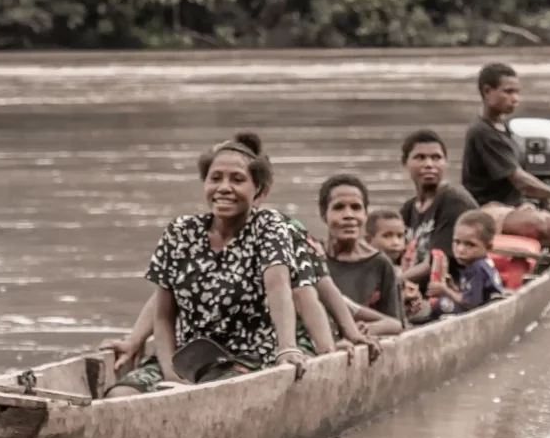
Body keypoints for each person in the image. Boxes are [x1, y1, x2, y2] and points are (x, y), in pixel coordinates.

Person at [97, 133, 367, 395]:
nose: (224, 188)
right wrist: (164, 365)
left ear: (258, 190)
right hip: (186, 356)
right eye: (215, 178)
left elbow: (285, 289)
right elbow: (163, 312)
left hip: (244, 359)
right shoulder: (180, 232)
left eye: (237, 180)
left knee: (205, 395)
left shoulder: (270, 227)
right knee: (119, 395)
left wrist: (291, 347)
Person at [461, 62, 550, 248]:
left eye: (517, 92)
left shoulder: (505, 128)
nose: (515, 98)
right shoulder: (482, 132)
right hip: (487, 210)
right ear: (487, 91)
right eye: (508, 92)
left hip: (511, 206)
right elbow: (519, 179)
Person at [318, 174, 405, 333]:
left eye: (356, 207)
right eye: (338, 207)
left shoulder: (380, 264)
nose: (349, 215)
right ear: (324, 214)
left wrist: (370, 328)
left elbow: (396, 323)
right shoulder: (313, 257)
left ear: (365, 214)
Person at [398, 129, 479, 279]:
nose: (429, 164)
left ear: (445, 163)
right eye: (420, 157)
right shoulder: (408, 209)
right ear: (405, 162)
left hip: (449, 291)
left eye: (436, 158)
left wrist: (393, 284)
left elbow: (437, 261)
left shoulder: (454, 201)